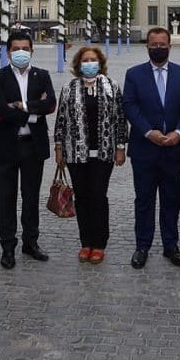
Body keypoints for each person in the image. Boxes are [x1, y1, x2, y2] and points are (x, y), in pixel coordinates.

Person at [122, 26, 180, 269]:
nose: (158, 48)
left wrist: (179, 132)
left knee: (171, 199)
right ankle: (142, 246)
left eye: (162, 44)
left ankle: (170, 246)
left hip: (173, 148)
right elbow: (130, 105)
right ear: (147, 46)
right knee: (144, 200)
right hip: (145, 149)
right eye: (153, 45)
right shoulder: (134, 74)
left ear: (169, 46)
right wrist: (148, 132)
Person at [0, 30, 57, 269]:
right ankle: (7, 247)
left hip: (33, 146)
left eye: (25, 49)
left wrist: (22, 106)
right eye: (16, 49)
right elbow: (0, 110)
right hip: (5, 146)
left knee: (31, 197)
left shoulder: (42, 75)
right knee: (5, 199)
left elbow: (50, 104)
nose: (21, 52)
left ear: (31, 50)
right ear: (8, 52)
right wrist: (32, 113)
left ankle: (31, 242)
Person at [54, 46, 127, 265]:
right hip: (76, 152)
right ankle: (85, 242)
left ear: (100, 63)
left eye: (93, 60)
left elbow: (121, 119)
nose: (89, 64)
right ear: (78, 64)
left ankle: (100, 242)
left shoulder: (111, 87)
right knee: (82, 197)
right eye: (85, 60)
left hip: (104, 152)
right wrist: (59, 149)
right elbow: (61, 120)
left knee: (98, 195)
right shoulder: (69, 88)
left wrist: (121, 147)